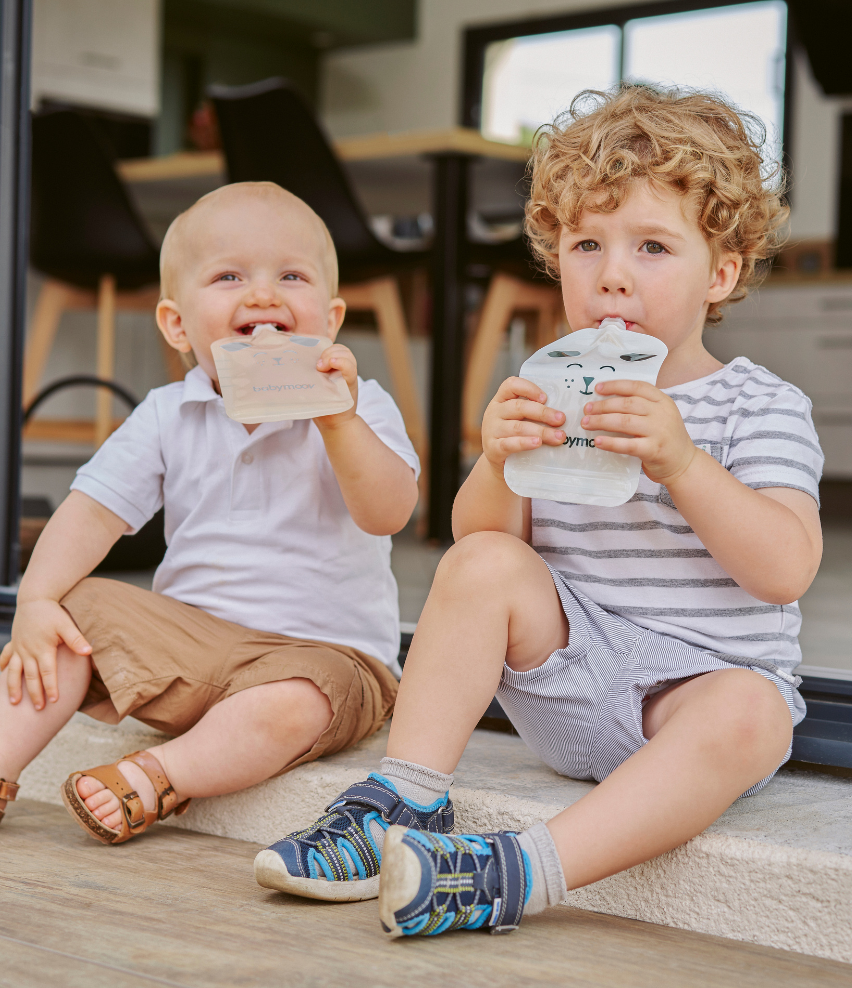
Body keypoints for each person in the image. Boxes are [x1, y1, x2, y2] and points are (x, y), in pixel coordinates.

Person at [258, 87, 823, 937]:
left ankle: (512, 874)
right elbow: (481, 552)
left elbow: (785, 567)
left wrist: (683, 463)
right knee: (477, 562)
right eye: (586, 243)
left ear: (724, 272)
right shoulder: (548, 386)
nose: (613, 274)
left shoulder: (758, 405)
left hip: (695, 698)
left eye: (653, 246)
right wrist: (497, 461)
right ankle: (399, 805)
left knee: (753, 712)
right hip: (571, 685)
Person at [0, 182, 444, 847]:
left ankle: (159, 775)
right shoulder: (166, 415)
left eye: (290, 276)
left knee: (299, 700)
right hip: (191, 649)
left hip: (324, 660)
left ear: (330, 318)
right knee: (73, 611)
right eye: (230, 276)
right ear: (177, 325)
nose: (263, 295)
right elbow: (91, 514)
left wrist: (339, 423)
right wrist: (35, 600)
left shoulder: (360, 405)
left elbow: (388, 513)